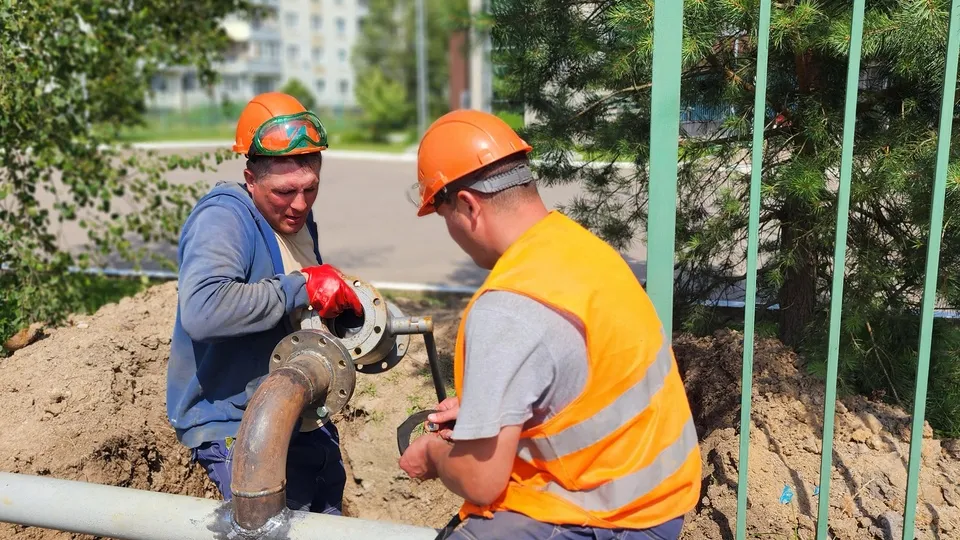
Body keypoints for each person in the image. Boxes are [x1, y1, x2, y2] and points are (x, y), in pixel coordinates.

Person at [399, 110, 702, 539]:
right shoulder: (578, 248)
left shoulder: (508, 306)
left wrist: (431, 454)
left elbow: (480, 482)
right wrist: (487, 409)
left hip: (607, 520)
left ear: (467, 205)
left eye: (443, 214)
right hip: (659, 502)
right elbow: (572, 376)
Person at [166, 92, 363, 515]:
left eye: (311, 188)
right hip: (236, 426)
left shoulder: (294, 219)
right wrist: (301, 287)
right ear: (250, 179)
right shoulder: (224, 218)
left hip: (299, 412)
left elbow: (297, 301)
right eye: (284, 191)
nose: (299, 203)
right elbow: (203, 310)